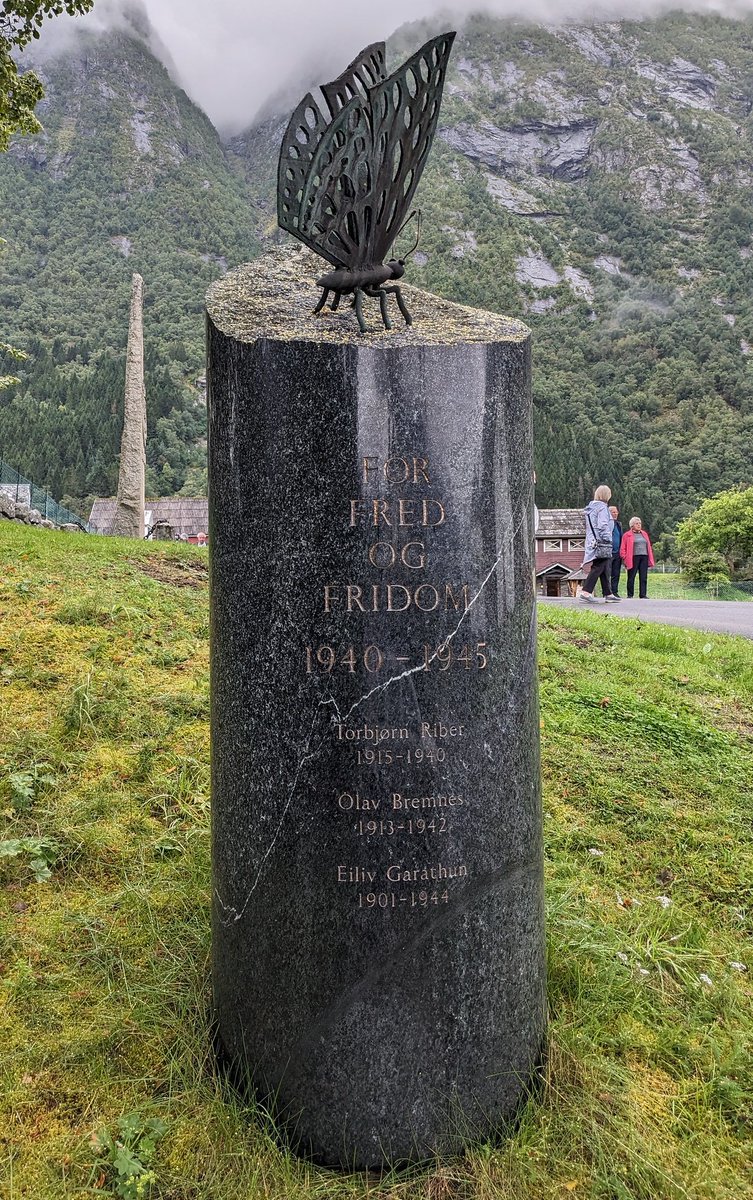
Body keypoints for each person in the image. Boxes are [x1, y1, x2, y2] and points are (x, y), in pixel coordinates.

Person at [579, 485, 620, 603]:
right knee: (599, 565)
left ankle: (608, 593)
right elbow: (602, 525)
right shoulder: (602, 508)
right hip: (602, 541)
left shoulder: (591, 508)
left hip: (593, 541)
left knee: (604, 565)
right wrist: (608, 538)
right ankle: (586, 592)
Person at [620, 516, 655, 598]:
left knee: (643, 577)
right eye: (637, 523)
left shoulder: (644, 534)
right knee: (631, 577)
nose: (639, 525)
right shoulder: (627, 535)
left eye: (640, 523)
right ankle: (630, 594)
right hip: (633, 557)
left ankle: (643, 594)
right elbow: (623, 548)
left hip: (644, 556)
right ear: (632, 525)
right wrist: (624, 557)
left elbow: (648, 545)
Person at [600, 504, 623, 597]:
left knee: (616, 573)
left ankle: (615, 591)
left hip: (617, 552)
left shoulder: (618, 524)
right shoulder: (606, 524)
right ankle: (607, 592)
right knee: (607, 574)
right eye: (613, 512)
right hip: (608, 552)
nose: (615, 513)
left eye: (616, 512)